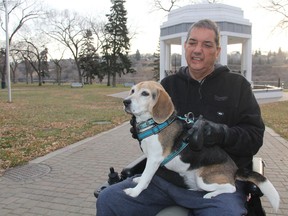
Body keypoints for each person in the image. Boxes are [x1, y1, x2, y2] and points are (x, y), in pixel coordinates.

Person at [96, 19, 265, 216]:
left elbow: (254, 137)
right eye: (192, 42)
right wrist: (139, 126)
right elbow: (152, 132)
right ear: (185, 46)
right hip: (165, 180)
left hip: (214, 180)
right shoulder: (167, 85)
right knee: (109, 200)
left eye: (207, 44)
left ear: (217, 51)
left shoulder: (238, 86)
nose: (197, 50)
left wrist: (221, 133)